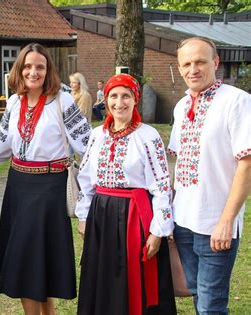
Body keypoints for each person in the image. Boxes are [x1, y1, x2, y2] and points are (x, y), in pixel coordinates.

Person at [0, 43, 91, 314]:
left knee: (36, 265)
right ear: (19, 69)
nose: (33, 72)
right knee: (30, 267)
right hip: (18, 186)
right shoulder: (13, 101)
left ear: (48, 71)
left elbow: (87, 145)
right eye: (28, 66)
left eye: (40, 67)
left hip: (50, 188)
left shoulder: (63, 100)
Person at [75, 73, 176, 315]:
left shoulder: (147, 136)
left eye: (126, 96)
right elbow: (86, 179)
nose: (119, 103)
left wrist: (158, 231)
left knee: (134, 278)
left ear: (135, 100)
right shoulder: (97, 135)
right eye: (113, 96)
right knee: (103, 276)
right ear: (106, 99)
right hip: (101, 216)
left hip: (135, 217)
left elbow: (162, 186)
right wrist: (83, 216)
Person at [168, 37, 251, 314]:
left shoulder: (237, 102)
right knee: (197, 296)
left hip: (216, 223)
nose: (193, 69)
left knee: (211, 305)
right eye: (187, 63)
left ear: (215, 62)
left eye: (200, 61)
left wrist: (227, 221)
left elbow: (247, 163)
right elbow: (179, 164)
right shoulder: (180, 107)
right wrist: (170, 217)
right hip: (184, 223)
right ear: (179, 68)